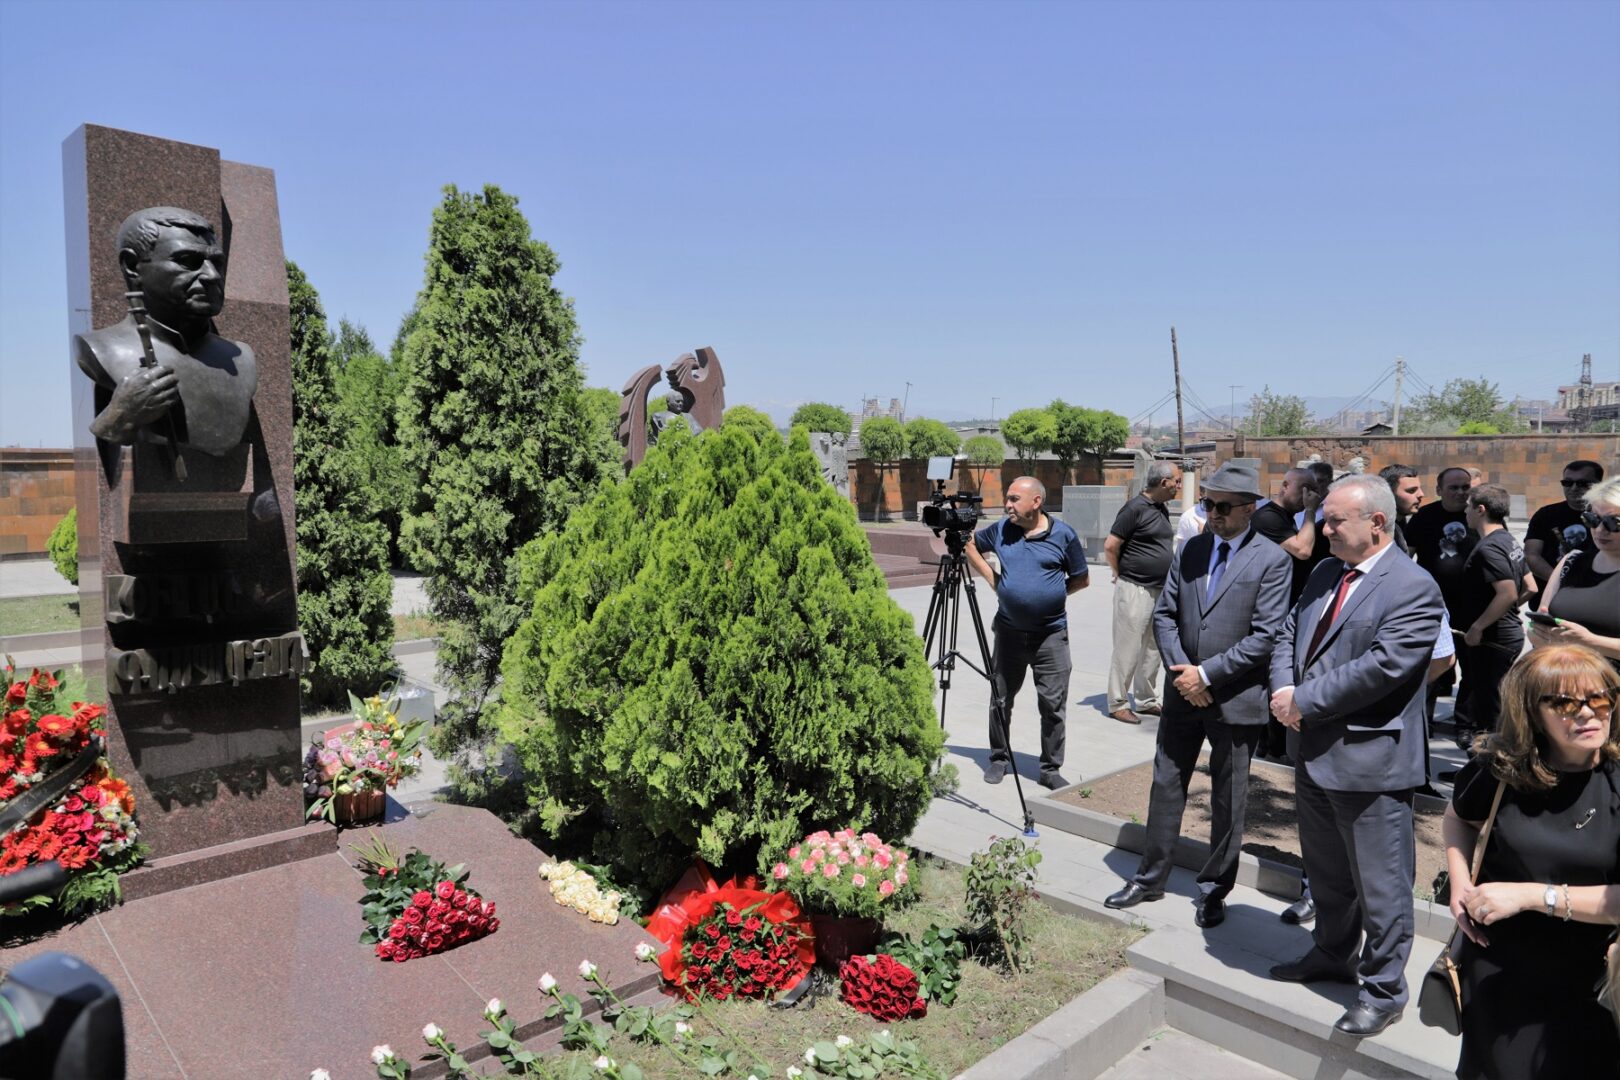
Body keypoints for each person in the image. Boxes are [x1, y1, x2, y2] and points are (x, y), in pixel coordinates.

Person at [1267, 474, 1443, 1037]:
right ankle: (1332, 954)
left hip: (1371, 763)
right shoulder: (1324, 571)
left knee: (1381, 885)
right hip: (1314, 751)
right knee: (1327, 874)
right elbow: (1289, 633)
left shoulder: (1413, 587)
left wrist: (1303, 700)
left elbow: (1386, 667)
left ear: (1378, 523)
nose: (1324, 527)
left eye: (1335, 520)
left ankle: (1384, 989)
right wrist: (1283, 692)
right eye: (1325, 518)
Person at [1102, 464, 1291, 927]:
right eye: (1207, 502)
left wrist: (1206, 675)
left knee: (1229, 797)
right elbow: (1165, 616)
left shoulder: (1272, 560)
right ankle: (1149, 878)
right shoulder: (1190, 549)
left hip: (1234, 698)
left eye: (1223, 506)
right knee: (1166, 784)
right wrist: (1184, 673)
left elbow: (1265, 636)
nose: (1212, 512)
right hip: (1183, 692)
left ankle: (1213, 889)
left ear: (1250, 509)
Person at [1442, 645, 1620, 1079]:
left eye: (1600, 698)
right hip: (1499, 973)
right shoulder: (1501, 768)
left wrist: (1532, 896)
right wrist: (1461, 882)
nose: (1588, 713)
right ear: (1530, 711)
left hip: (1595, 982)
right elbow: (1458, 820)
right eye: (1565, 702)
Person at [75, 206, 258, 456]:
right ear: (132, 266)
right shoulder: (102, 350)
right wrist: (117, 418)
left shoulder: (241, 357)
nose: (212, 275)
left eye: (217, 262)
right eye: (187, 262)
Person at [966, 476, 1089, 790]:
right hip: (1008, 634)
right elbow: (970, 545)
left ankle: (1049, 769)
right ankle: (998, 758)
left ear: (1036, 502)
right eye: (1007, 499)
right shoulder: (1002, 529)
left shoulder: (1064, 535)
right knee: (1000, 699)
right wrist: (996, 582)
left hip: (1051, 636)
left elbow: (1081, 579)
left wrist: (1050, 596)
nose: (1007, 505)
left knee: (1052, 705)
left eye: (1013, 499)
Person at [1448, 485, 1534, 764]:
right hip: (1503, 636)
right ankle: (1485, 770)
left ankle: (1493, 773)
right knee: (1492, 705)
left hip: (1492, 640)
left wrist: (1479, 626)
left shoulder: (1489, 547)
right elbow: (1530, 586)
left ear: (1480, 509)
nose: (1465, 511)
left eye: (1468, 506)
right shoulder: (1508, 539)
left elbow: (1508, 592)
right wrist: (1505, 613)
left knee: (1490, 711)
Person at [1406, 467, 1478, 747]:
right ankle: (1424, 722)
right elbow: (1406, 555)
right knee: (1432, 670)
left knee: (1470, 673)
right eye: (1454, 487)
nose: (1461, 493)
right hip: (1433, 608)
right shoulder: (1424, 517)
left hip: (1471, 607)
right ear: (1439, 490)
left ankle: (1465, 725)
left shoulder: (1478, 514)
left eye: (1465, 487)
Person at [1105, 462, 1178, 725]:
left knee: (1153, 647)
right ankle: (1118, 703)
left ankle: (1146, 699)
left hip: (1160, 589)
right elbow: (1111, 545)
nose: (1179, 487)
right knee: (1128, 647)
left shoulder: (1161, 509)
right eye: (1177, 482)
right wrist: (1118, 573)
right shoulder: (1134, 508)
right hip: (1135, 587)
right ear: (1163, 482)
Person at [1532, 474, 1620, 672]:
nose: (1600, 529)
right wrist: (1538, 633)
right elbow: (1539, 621)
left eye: (1614, 523)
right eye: (1592, 519)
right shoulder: (1571, 562)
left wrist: (1591, 641)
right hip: (1564, 686)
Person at [1525, 460, 1605, 593]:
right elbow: (1531, 554)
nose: (1574, 488)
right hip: (1552, 596)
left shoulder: (1609, 516)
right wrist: (1559, 581)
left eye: (1582, 483)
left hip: (1597, 594)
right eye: (1567, 483)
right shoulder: (1545, 515)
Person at [1378, 463, 1424, 553]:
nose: (1421, 494)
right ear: (1389, 493)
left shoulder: (1400, 522)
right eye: (1411, 491)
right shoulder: (1377, 528)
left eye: (1419, 489)